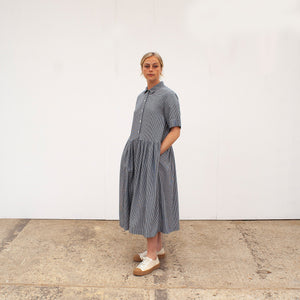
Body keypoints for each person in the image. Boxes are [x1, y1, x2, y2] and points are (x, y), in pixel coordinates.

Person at [119, 52, 181, 276]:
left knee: (150, 202)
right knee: (148, 199)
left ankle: (152, 257)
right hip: (139, 155)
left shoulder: (168, 96)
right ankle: (157, 248)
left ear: (161, 68)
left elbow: (176, 130)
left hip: (155, 158)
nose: (151, 69)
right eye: (147, 66)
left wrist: (156, 154)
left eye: (155, 66)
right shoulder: (141, 96)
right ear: (142, 69)